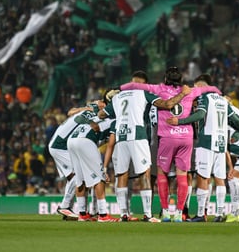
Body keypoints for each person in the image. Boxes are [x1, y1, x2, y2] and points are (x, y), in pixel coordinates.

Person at [119, 67, 221, 222]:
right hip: (186, 137)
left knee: (161, 175)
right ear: (181, 79)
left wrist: (118, 89)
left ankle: (165, 212)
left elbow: (135, 86)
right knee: (182, 176)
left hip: (167, 137)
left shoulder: (159, 89)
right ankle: (180, 213)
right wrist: (220, 94)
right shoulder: (190, 91)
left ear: (166, 78)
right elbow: (211, 88)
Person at [100, 70, 191, 222]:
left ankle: (124, 214)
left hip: (121, 136)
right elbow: (168, 104)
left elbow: (102, 115)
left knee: (121, 175)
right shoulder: (143, 93)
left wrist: (112, 104)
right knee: (145, 174)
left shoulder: (118, 97)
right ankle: (148, 215)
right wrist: (182, 94)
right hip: (138, 136)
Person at [166, 74, 239, 222]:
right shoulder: (223, 100)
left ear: (202, 86)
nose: (194, 90)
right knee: (220, 178)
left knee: (203, 177)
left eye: (196, 87)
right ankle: (220, 213)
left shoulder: (204, 98)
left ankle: (201, 214)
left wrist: (179, 121)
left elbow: (200, 114)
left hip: (206, 142)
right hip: (221, 144)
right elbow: (236, 120)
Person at [48, 101, 101, 220]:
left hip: (60, 143)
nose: (101, 102)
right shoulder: (93, 113)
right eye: (101, 102)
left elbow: (70, 111)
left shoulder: (86, 110)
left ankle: (75, 210)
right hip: (60, 145)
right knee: (79, 174)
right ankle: (65, 206)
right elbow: (74, 114)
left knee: (79, 175)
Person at [67, 108, 119, 222]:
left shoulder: (94, 115)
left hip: (71, 141)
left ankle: (82, 213)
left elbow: (76, 117)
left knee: (80, 178)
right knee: (99, 178)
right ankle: (103, 214)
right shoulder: (115, 120)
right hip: (85, 141)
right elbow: (110, 144)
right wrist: (104, 168)